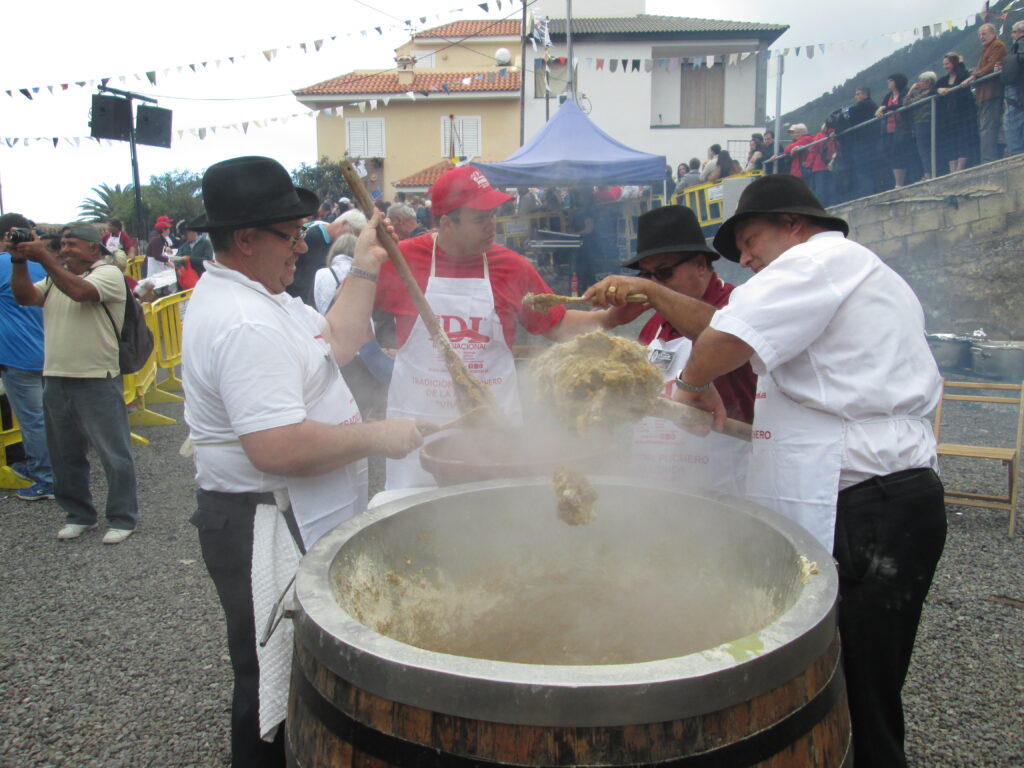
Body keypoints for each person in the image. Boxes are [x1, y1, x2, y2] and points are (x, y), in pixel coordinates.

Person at [671, 175, 946, 768]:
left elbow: (725, 333)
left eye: (750, 240)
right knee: (855, 682)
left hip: (870, 502)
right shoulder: (852, 274)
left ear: (795, 226)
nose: (745, 260)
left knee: (856, 688)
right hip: (887, 498)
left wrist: (692, 386)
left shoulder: (822, 259)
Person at [181, 156, 425, 768]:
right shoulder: (244, 322)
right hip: (264, 523)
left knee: (298, 674)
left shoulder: (270, 299)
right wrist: (377, 436)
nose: (301, 247)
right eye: (290, 235)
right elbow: (278, 448)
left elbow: (338, 343)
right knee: (274, 685)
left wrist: (366, 260)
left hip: (297, 515)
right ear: (245, 239)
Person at [334, 165, 599, 490]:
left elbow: (558, 326)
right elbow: (344, 319)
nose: (492, 225)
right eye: (480, 218)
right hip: (417, 429)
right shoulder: (400, 259)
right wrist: (374, 348)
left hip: (492, 430)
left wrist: (613, 319)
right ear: (446, 222)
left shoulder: (513, 268)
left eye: (493, 214)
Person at [583, 206, 756, 493]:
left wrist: (651, 291)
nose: (653, 285)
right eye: (646, 276)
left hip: (724, 484)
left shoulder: (739, 306)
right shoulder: (654, 326)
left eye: (663, 272)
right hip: (658, 487)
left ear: (701, 264)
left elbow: (721, 334)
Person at [9, 223, 140, 543]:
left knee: (113, 453)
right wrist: (18, 262)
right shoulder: (55, 279)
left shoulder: (107, 274)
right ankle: (79, 514)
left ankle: (123, 517)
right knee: (64, 454)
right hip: (55, 375)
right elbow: (25, 296)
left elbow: (81, 293)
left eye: (72, 244)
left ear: (94, 248)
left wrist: (46, 258)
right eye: (62, 244)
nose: (64, 249)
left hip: (97, 377)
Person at [0, 214, 55, 501]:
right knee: (52, 418)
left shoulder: (3, 264)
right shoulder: (43, 264)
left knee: (34, 421)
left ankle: (46, 477)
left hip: (18, 357)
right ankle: (48, 468)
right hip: (51, 351)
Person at [966, 23, 1008, 164]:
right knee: (985, 128)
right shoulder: (985, 49)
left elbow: (991, 65)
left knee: (988, 129)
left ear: (993, 33)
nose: (981, 37)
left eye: (984, 34)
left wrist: (975, 75)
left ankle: (989, 160)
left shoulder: (998, 45)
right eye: (980, 35)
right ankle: (989, 158)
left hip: (992, 92)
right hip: (983, 94)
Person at [936, 52, 978, 172]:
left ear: (954, 63)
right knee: (952, 141)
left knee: (963, 139)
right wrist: (939, 89)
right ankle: (952, 169)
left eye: (947, 63)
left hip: (965, 112)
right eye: (944, 64)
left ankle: (960, 168)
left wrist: (967, 79)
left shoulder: (963, 74)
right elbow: (933, 90)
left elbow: (974, 74)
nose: (945, 66)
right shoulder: (944, 79)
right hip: (950, 115)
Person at [875, 73, 915, 187]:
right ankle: (898, 183)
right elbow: (882, 107)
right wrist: (880, 110)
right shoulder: (888, 96)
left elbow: (902, 105)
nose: (888, 83)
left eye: (891, 80)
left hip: (903, 127)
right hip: (890, 129)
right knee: (893, 155)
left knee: (901, 153)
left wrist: (886, 108)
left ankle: (901, 183)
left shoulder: (905, 92)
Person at [841, 86, 880, 199]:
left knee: (863, 168)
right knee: (863, 169)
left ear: (865, 94)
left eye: (858, 94)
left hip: (865, 142)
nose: (855, 96)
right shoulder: (867, 105)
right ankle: (866, 191)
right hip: (864, 141)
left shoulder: (866, 104)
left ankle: (867, 193)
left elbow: (851, 115)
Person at [906, 71, 939, 178]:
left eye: (920, 81)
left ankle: (928, 174)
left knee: (924, 150)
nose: (918, 83)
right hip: (921, 123)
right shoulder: (923, 93)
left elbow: (907, 103)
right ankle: (928, 173)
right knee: (923, 150)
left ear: (928, 82)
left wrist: (911, 90)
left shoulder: (927, 93)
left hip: (924, 122)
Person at [999, 20, 1024, 156]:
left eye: (1014, 32)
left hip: (1018, 94)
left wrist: (1007, 64)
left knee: (1012, 130)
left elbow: (1020, 60)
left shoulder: (1021, 43)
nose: (1012, 35)